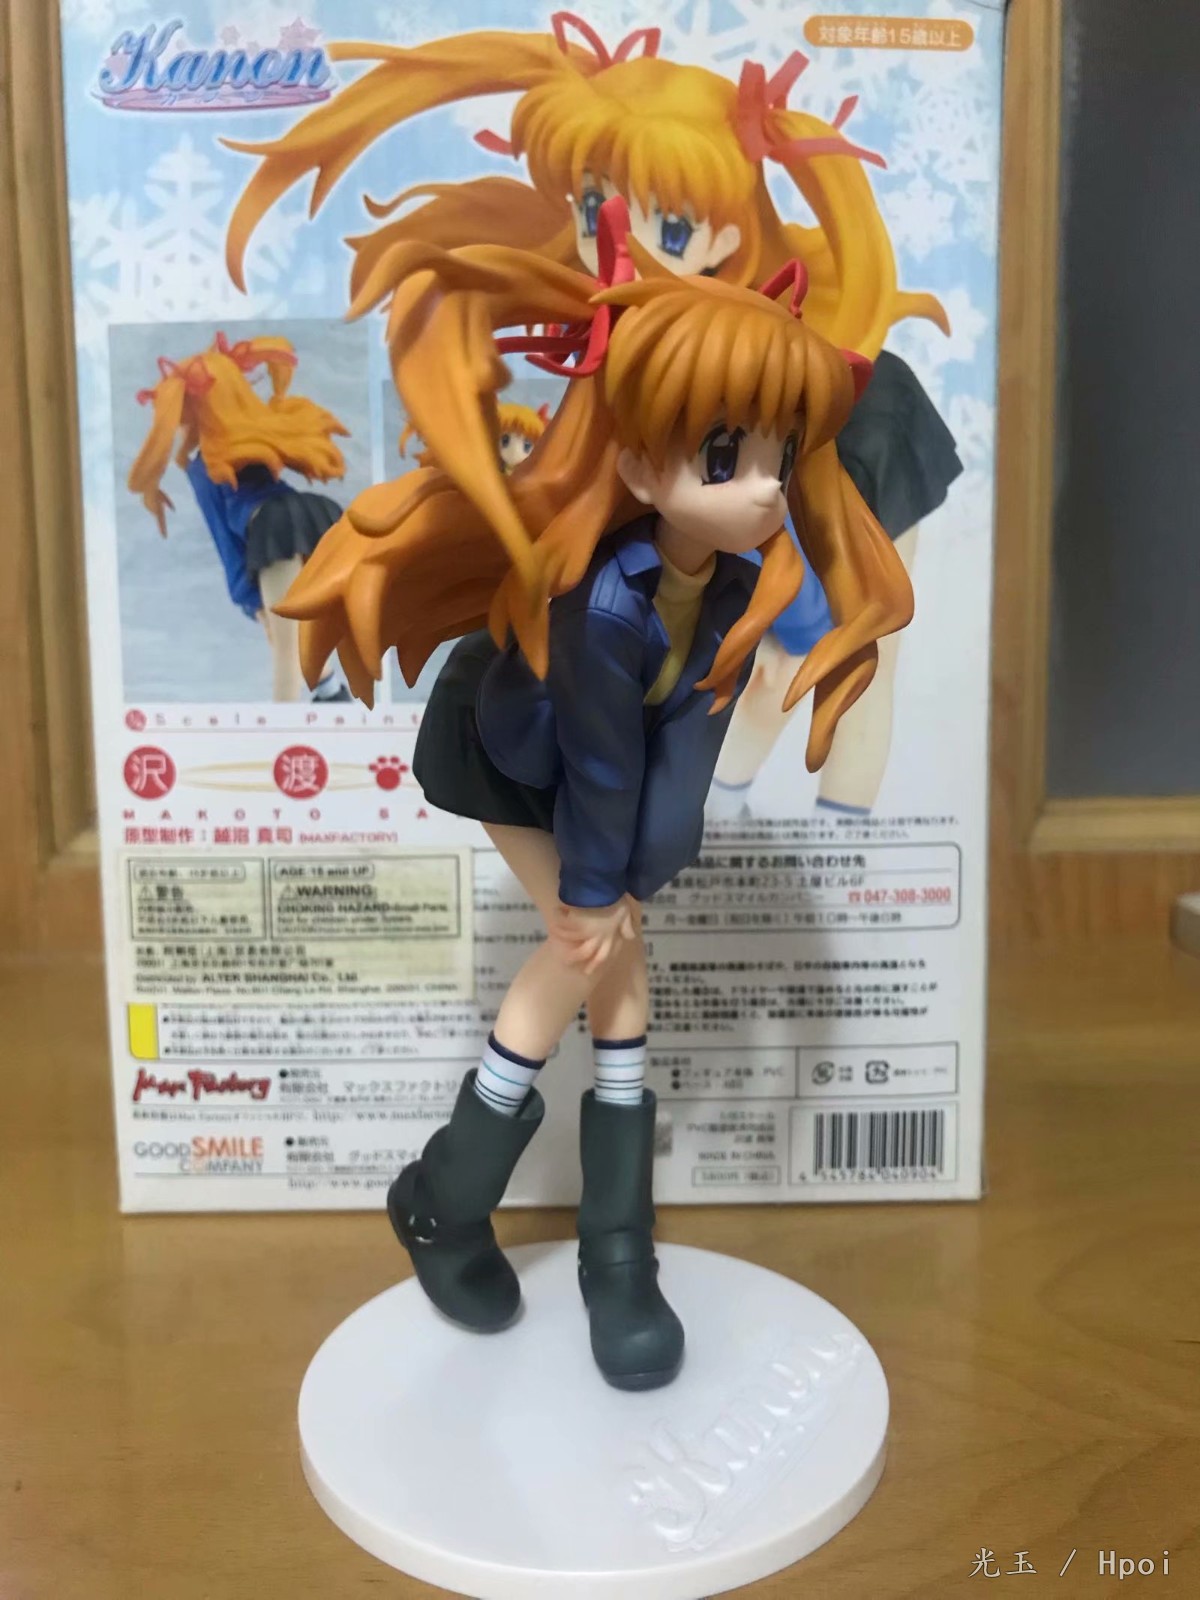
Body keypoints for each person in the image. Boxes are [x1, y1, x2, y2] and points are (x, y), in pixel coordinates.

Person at [275, 199, 914, 1389]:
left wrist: (630, 876)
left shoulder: (729, 589)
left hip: (587, 783)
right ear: (634, 463)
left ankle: (585, 1241)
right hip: (508, 757)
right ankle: (469, 1208)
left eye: (778, 457)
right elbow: (604, 755)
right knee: (586, 952)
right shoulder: (603, 606)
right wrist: (595, 886)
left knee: (618, 968)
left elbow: (682, 753)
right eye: (725, 459)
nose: (763, 488)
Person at [224, 11, 957, 800]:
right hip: (722, 527)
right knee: (743, 671)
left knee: (833, 659)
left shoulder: (780, 358)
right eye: (592, 209)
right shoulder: (621, 336)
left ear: (725, 236)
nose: (618, 242)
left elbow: (804, 576)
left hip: (850, 437)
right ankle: (736, 809)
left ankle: (833, 826)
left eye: (670, 226)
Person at [128, 333, 351, 701]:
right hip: (281, 524)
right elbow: (225, 534)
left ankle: (285, 724)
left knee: (284, 645)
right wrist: (245, 593)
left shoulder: (227, 450)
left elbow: (224, 532)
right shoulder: (208, 455)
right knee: (277, 629)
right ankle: (331, 693)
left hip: (277, 526)